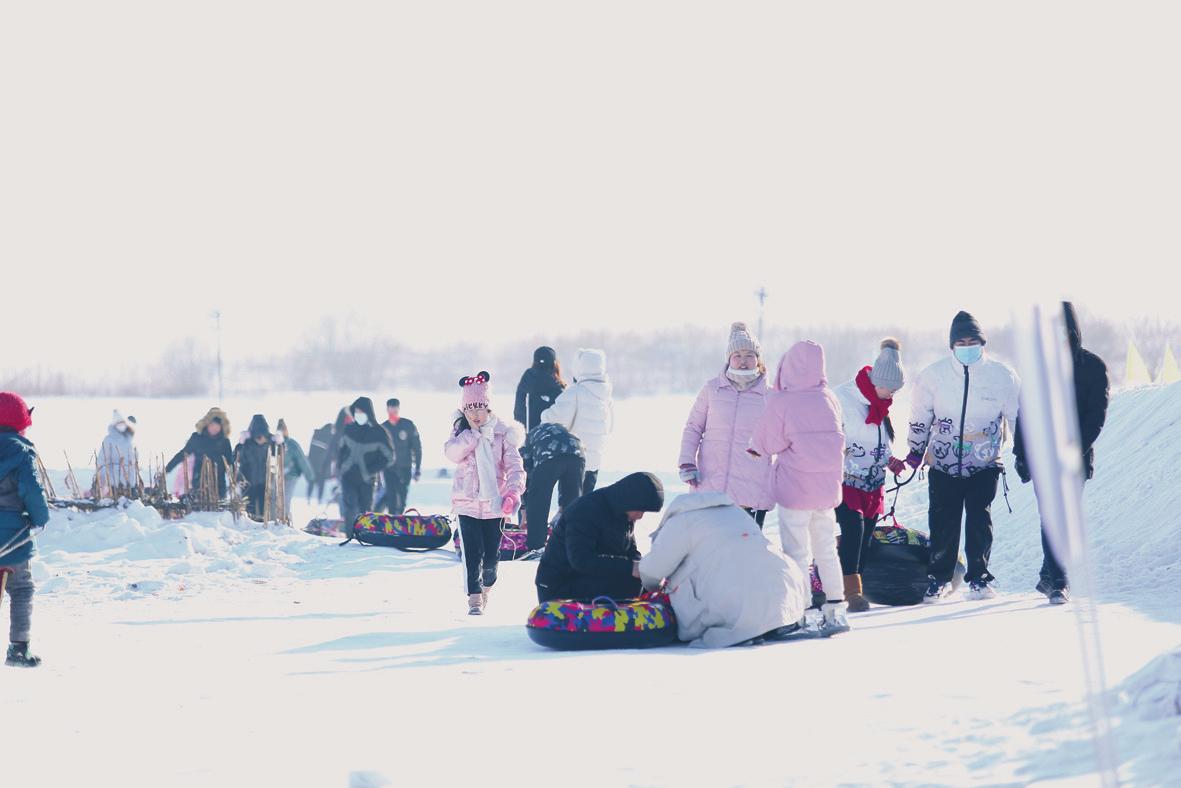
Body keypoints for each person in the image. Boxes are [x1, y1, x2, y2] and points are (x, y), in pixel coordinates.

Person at [906, 311, 1020, 602]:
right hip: (943, 461)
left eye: (972, 341)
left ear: (982, 343)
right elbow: (920, 416)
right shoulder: (933, 376)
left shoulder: (1002, 376)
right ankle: (939, 579)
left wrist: (1023, 453)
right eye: (961, 342)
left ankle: (979, 578)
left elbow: (1017, 418)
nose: (967, 346)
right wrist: (915, 450)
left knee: (979, 520)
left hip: (985, 461)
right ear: (952, 346)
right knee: (943, 520)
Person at [1013, 302, 1109, 605]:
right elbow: (1024, 413)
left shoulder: (1093, 367)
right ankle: (1056, 579)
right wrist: (1021, 454)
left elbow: (1096, 416)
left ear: (1072, 331)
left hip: (1074, 458)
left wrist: (1074, 450)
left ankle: (1054, 576)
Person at [751, 340, 849, 634]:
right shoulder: (829, 397)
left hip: (796, 490)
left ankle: (804, 612)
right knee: (827, 551)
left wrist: (753, 448)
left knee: (797, 553)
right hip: (826, 491)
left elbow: (767, 442)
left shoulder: (783, 401)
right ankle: (836, 610)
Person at [639, 492, 807, 648]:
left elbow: (653, 570)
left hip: (735, 603)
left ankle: (748, 625)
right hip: (786, 598)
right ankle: (774, 621)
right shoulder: (736, 513)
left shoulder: (680, 521)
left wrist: (651, 587)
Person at [833, 339, 908, 612]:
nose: (893, 395)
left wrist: (891, 461)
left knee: (864, 537)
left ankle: (848, 583)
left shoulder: (880, 404)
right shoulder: (843, 399)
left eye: (896, 390)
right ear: (877, 381)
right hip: (846, 479)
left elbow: (880, 440)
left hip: (873, 482)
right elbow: (829, 434)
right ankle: (848, 593)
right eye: (890, 388)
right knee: (854, 530)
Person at [444, 373, 526, 615]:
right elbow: (451, 453)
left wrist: (512, 494)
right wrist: (471, 436)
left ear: (488, 407)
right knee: (471, 553)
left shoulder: (503, 434)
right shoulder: (461, 432)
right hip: (466, 503)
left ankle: (487, 585)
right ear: (464, 410)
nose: (475, 414)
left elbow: (515, 469)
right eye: (470, 409)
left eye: (479, 408)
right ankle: (474, 599)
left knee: (490, 559)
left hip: (495, 505)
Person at [678, 322, 774, 525]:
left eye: (749, 355)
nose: (743, 361)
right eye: (737, 355)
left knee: (744, 551)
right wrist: (687, 462)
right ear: (729, 358)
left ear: (758, 359)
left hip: (752, 490)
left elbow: (781, 439)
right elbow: (693, 427)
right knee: (707, 547)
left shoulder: (771, 395)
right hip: (710, 485)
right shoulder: (712, 389)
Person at [535, 471, 664, 603]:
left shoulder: (622, 514)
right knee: (630, 586)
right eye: (640, 510)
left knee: (646, 586)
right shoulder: (586, 510)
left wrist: (643, 569)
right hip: (559, 585)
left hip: (586, 578)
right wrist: (630, 567)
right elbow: (581, 560)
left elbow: (630, 551)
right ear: (629, 500)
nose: (640, 516)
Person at [0, 392, 50, 667]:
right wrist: (40, 516)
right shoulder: (21, 452)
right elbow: (31, 490)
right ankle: (19, 649)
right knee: (21, 589)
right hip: (13, 538)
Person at [540, 348, 614, 493]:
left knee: (570, 507)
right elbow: (610, 427)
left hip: (574, 460)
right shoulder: (607, 397)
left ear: (580, 367)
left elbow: (554, 419)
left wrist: (544, 413)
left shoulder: (575, 393)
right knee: (586, 504)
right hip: (595, 462)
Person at [521, 422, 586, 556]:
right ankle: (573, 547)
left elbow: (525, 476)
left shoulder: (525, 441)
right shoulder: (558, 430)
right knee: (572, 505)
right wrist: (563, 506)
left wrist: (525, 511)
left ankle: (536, 548)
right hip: (578, 452)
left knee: (538, 502)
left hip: (549, 452)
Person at [337, 398, 394, 532]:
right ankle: (350, 536)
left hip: (367, 479)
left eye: (361, 411)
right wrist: (341, 467)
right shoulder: (349, 429)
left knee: (365, 511)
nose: (358, 414)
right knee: (350, 508)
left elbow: (389, 457)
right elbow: (340, 450)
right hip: (348, 476)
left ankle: (362, 536)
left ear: (368, 412)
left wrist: (371, 469)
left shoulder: (379, 433)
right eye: (356, 411)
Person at [166, 408, 234, 500]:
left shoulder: (225, 442)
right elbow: (182, 454)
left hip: (219, 484)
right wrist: (167, 469)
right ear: (206, 424)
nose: (215, 428)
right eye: (212, 425)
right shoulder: (197, 438)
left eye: (218, 425)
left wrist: (237, 477)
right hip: (200, 482)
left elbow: (230, 462)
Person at [377, 398, 422, 516]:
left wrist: (417, 469)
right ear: (387, 410)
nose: (393, 412)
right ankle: (391, 524)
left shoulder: (408, 425)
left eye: (395, 409)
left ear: (398, 409)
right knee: (391, 499)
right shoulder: (382, 428)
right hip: (388, 469)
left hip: (405, 468)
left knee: (402, 499)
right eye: (391, 409)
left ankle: (399, 520)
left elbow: (417, 448)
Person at [235, 415, 283, 521]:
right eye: (258, 437)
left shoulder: (270, 443)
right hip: (248, 482)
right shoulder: (247, 443)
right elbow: (236, 458)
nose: (260, 440)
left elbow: (281, 454)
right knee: (248, 509)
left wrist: (280, 444)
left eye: (263, 437)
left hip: (264, 482)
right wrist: (241, 444)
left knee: (263, 508)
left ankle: (262, 525)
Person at [515, 346, 566, 432]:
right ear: (554, 364)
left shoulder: (526, 380)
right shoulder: (558, 388)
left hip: (527, 436)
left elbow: (518, 410)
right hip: (552, 438)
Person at [276, 419, 315, 517]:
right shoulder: (275, 444)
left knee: (286, 499)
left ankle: (285, 520)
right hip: (278, 477)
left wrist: (310, 476)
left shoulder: (292, 444)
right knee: (276, 500)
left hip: (291, 476)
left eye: (283, 429)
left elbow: (302, 460)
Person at [97, 410, 139, 497]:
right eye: (119, 423)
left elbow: (134, 456)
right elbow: (102, 459)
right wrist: (101, 475)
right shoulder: (109, 440)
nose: (121, 425)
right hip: (115, 480)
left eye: (122, 422)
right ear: (114, 425)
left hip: (131, 480)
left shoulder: (129, 437)